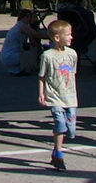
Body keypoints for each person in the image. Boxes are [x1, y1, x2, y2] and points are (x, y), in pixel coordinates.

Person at [38, 19, 79, 171]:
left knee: (71, 130)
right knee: (60, 125)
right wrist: (41, 93)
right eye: (68, 35)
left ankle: (55, 152)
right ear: (57, 38)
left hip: (70, 97)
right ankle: (60, 156)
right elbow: (42, 76)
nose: (71, 37)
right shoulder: (47, 56)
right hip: (54, 97)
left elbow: (72, 74)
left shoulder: (72, 54)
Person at [0, 8, 48, 75]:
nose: (35, 19)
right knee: (31, 54)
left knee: (32, 51)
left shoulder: (19, 26)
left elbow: (33, 42)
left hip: (6, 56)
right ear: (27, 17)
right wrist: (51, 36)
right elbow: (37, 35)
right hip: (11, 56)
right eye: (33, 17)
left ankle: (16, 70)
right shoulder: (22, 26)